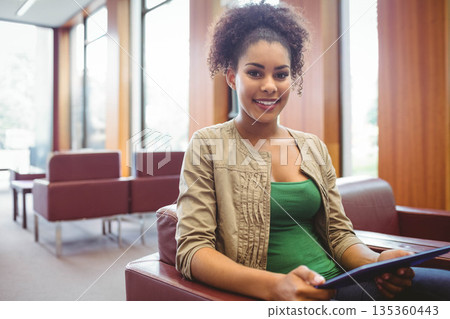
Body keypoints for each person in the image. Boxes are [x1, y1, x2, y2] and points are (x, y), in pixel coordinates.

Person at [175, 1, 450, 301]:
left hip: (345, 282)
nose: (270, 86)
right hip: (293, 297)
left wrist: (376, 263)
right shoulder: (207, 145)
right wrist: (274, 286)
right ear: (232, 77)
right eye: (255, 73)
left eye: (281, 74)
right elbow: (192, 251)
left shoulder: (313, 146)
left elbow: (339, 234)